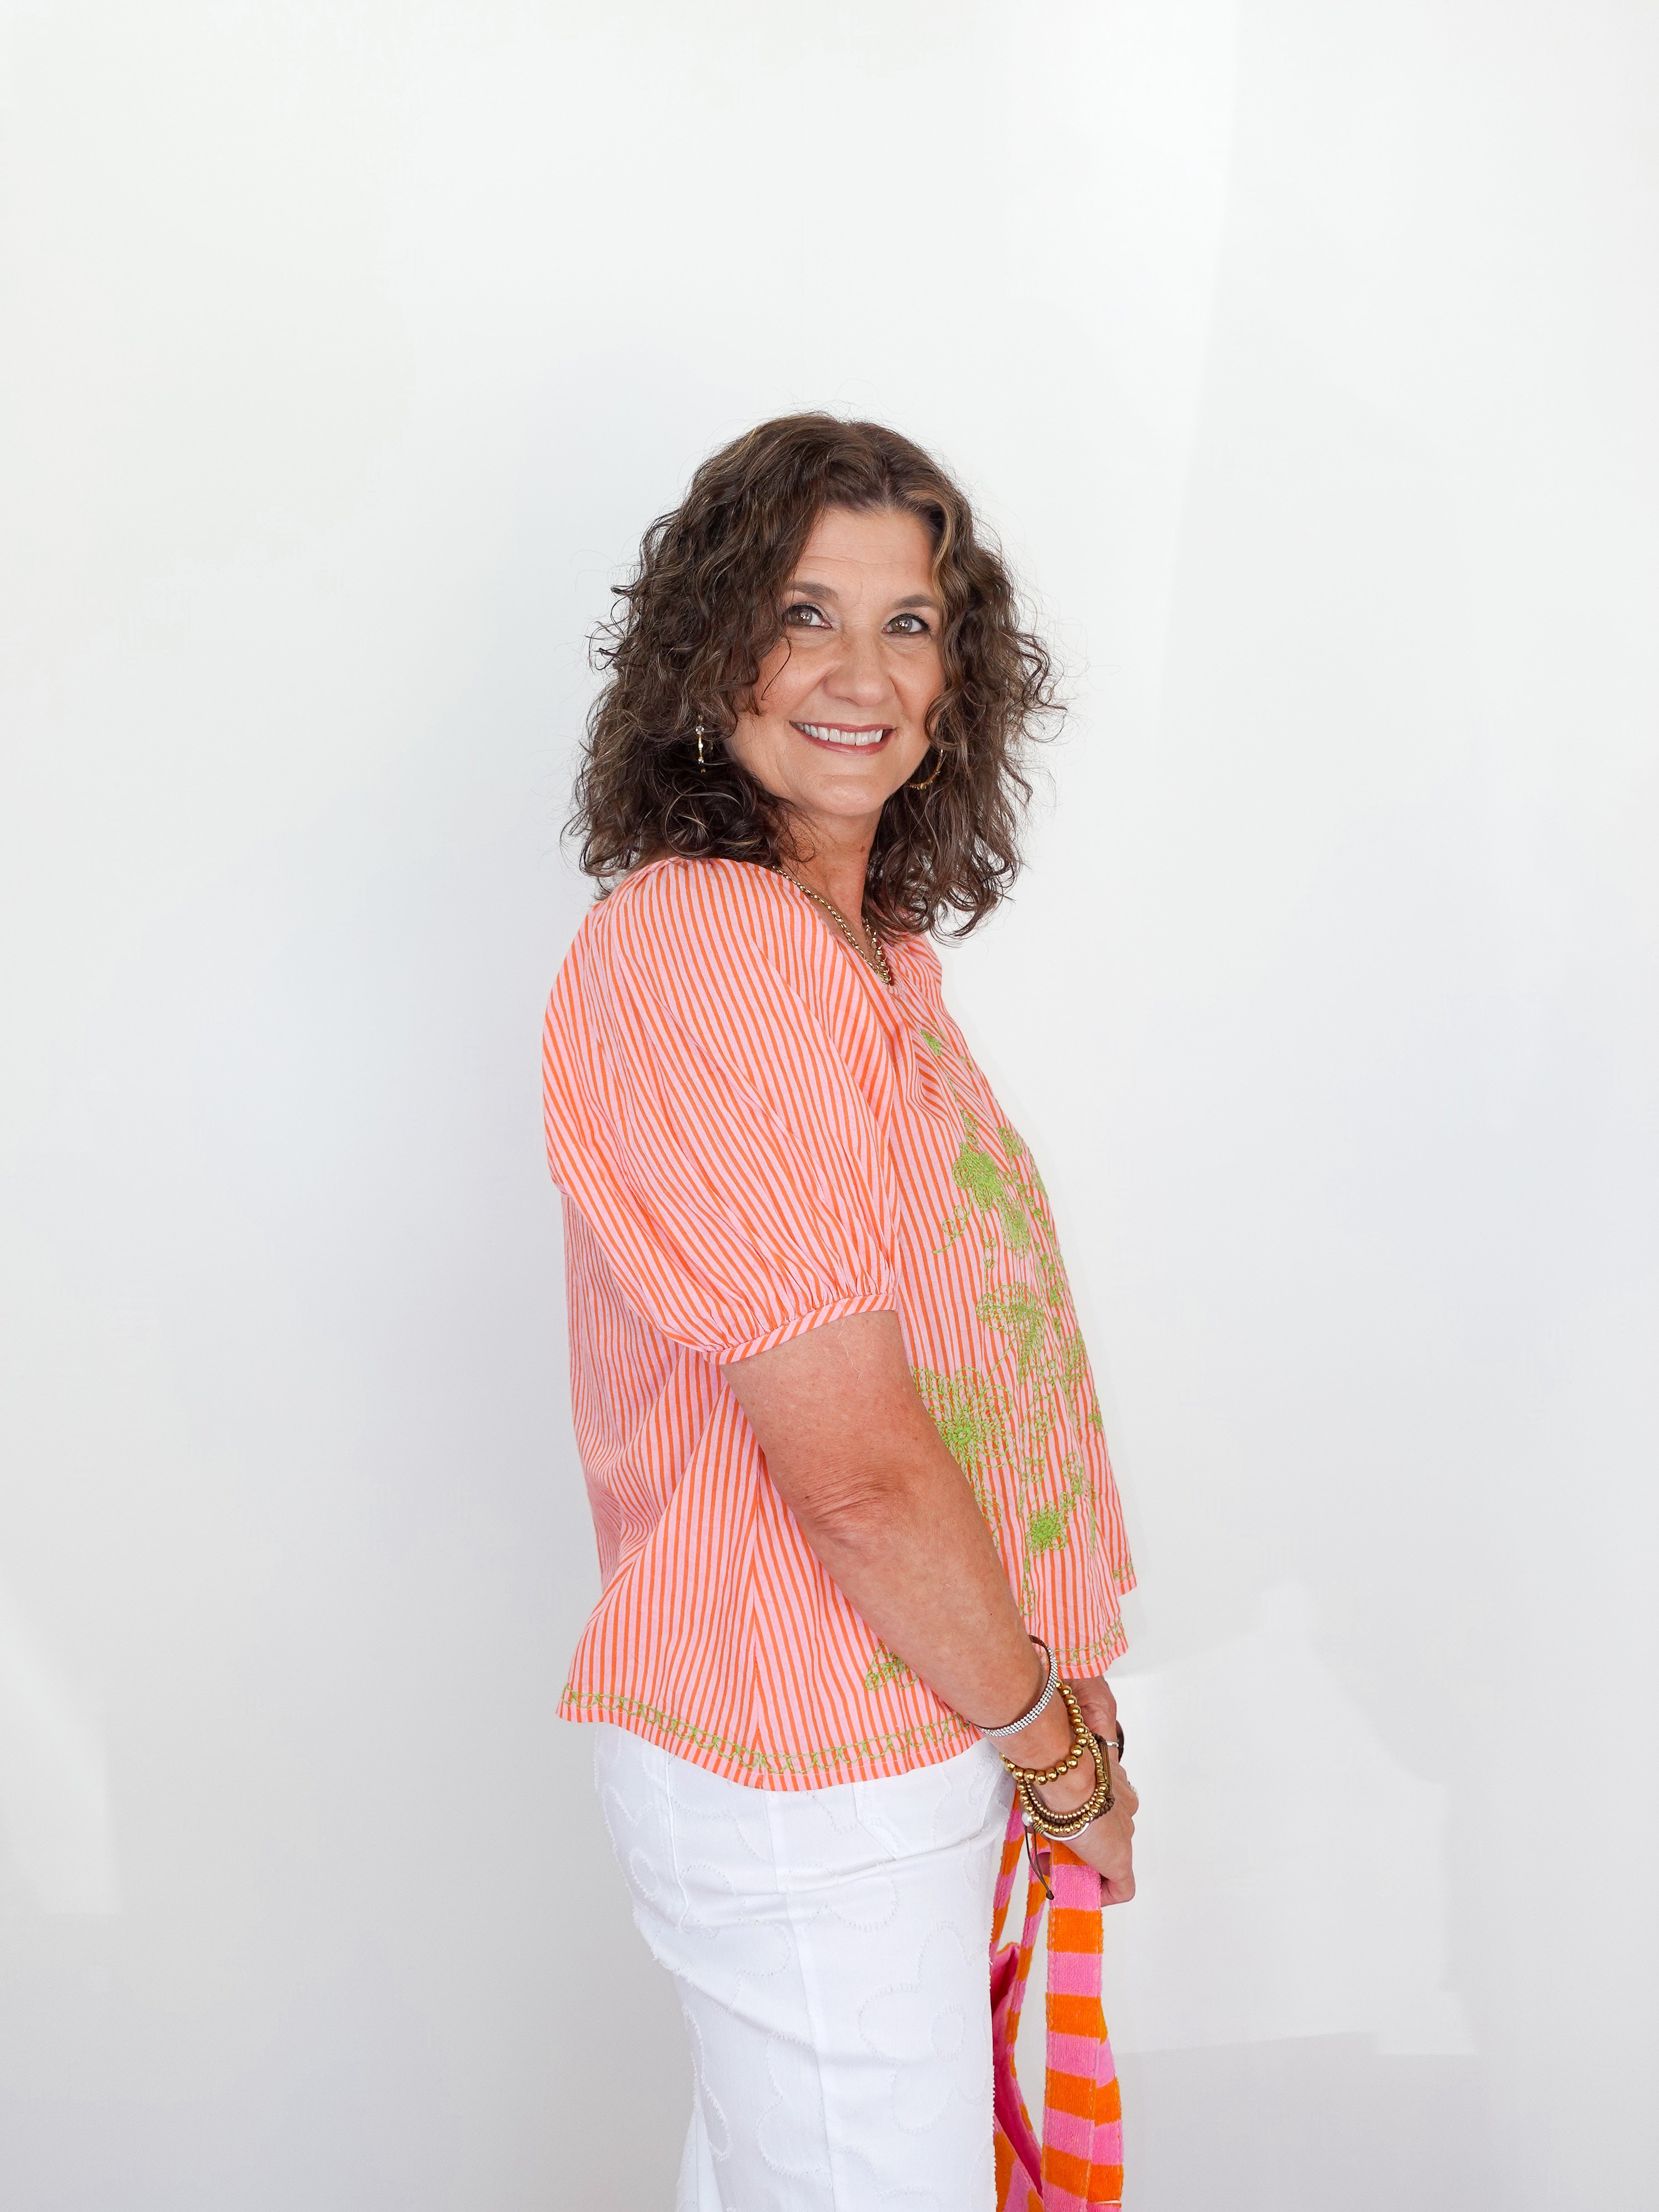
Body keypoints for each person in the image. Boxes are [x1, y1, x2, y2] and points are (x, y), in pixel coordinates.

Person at [542, 414, 1138, 2211]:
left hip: (904, 1731)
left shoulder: (853, 958)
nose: (861, 673)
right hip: (819, 1773)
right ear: (709, 650)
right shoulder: (712, 950)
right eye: (804, 612)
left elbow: (970, 1380)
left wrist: (1048, 1690)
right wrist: (1053, 1757)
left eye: (911, 621)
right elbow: (863, 1463)